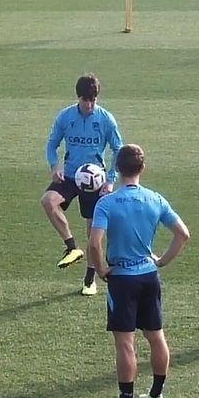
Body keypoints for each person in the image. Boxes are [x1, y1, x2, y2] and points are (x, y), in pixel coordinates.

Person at [88, 144, 190, 398]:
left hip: (122, 280)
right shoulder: (155, 199)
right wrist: (162, 261)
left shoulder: (107, 203)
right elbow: (183, 234)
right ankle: (156, 394)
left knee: (125, 342)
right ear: (142, 168)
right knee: (156, 336)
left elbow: (95, 244)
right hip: (148, 276)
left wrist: (101, 270)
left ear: (117, 169)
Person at [42, 74, 124, 296]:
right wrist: (54, 165)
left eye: (93, 100)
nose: (89, 105)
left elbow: (119, 149)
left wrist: (110, 180)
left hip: (95, 181)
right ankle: (71, 247)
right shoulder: (66, 117)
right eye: (85, 100)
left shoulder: (106, 119)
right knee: (48, 201)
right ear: (78, 97)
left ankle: (90, 279)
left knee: (94, 232)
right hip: (69, 176)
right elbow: (51, 144)